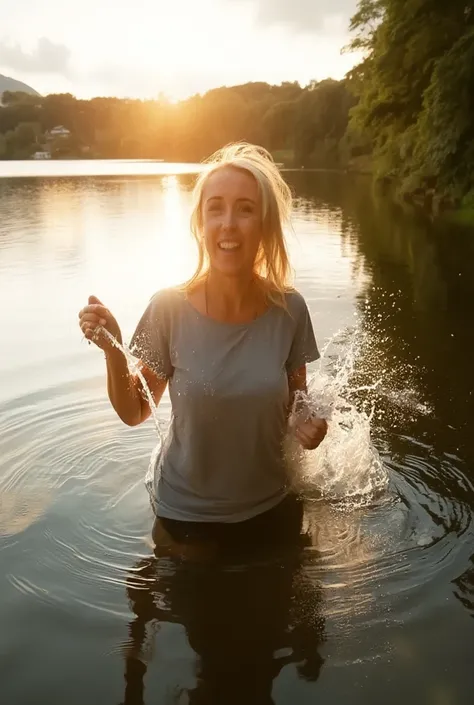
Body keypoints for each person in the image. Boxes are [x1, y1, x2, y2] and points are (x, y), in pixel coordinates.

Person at [78, 142, 327, 560]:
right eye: (216, 208)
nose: (229, 223)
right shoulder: (168, 309)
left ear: (264, 225)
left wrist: (310, 426)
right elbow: (136, 411)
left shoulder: (290, 311)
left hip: (273, 509)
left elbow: (298, 402)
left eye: (245, 209)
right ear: (200, 223)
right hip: (186, 520)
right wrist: (113, 350)